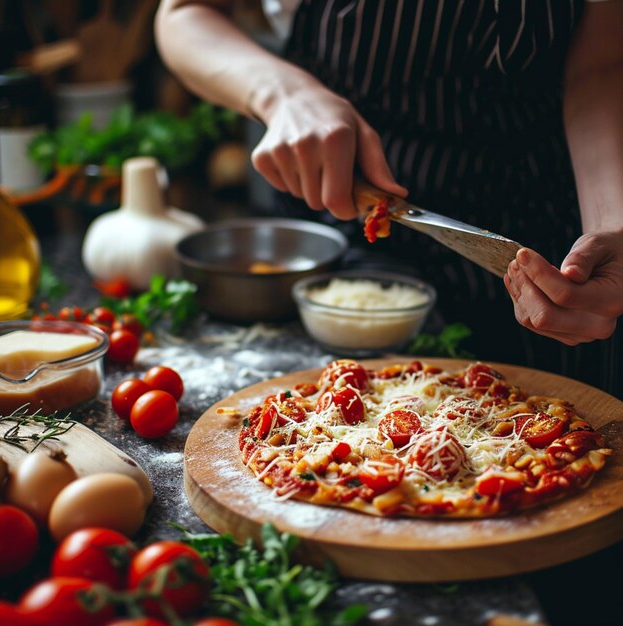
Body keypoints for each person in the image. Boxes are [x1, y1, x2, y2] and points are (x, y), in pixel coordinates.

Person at [155, 0, 623, 398]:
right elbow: (183, 13)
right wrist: (285, 94)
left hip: (549, 239)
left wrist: (610, 226)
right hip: (355, 236)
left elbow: (602, 65)